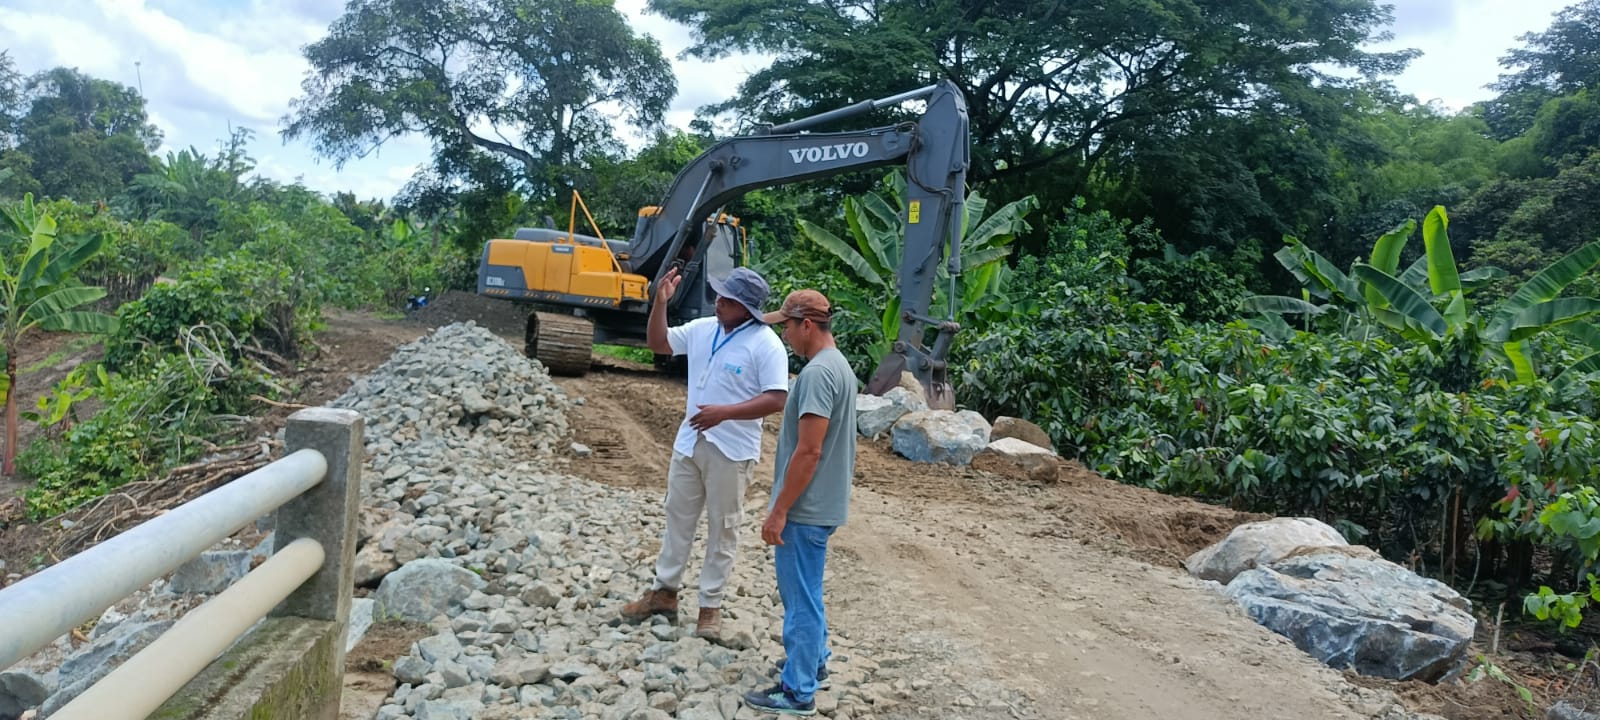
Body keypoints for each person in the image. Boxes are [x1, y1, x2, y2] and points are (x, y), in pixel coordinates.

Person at [621, 266, 790, 641]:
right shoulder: (703, 329)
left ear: (746, 308)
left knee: (723, 528)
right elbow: (659, 343)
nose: (718, 302)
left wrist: (725, 413)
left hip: (731, 451)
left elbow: (777, 398)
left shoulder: (766, 344)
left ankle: (709, 608)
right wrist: (660, 304)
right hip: (690, 442)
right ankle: (664, 593)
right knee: (677, 518)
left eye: (727, 299)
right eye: (720, 295)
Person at [744, 289, 857, 716]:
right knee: (809, 591)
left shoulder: (816, 375)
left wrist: (779, 510)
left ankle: (798, 690)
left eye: (788, 327)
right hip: (822, 505)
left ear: (806, 325)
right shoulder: (838, 366)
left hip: (805, 510)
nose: (785, 336)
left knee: (800, 601)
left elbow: (809, 451)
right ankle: (815, 661)